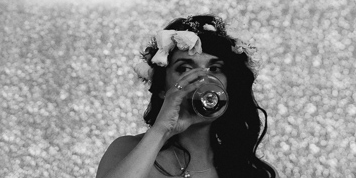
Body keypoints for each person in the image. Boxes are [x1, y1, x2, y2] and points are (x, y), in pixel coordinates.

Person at [96, 15, 277, 178]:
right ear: (162, 87)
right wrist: (161, 131)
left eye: (215, 68)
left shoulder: (252, 171)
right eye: (184, 69)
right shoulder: (126, 150)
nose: (201, 79)